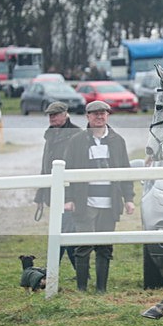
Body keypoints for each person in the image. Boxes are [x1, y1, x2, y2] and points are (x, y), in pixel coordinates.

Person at [63, 100, 135, 292]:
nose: (99, 116)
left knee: (104, 247)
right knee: (83, 246)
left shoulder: (117, 141)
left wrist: (128, 199)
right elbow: (68, 171)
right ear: (87, 116)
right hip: (84, 202)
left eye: (102, 113)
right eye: (95, 113)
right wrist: (68, 198)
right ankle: (81, 288)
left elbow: (125, 171)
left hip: (109, 203)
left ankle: (101, 289)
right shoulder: (77, 141)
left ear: (107, 115)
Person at [34, 101, 82, 270]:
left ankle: (53, 270)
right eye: (50, 115)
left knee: (64, 232)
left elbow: (78, 167)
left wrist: (72, 198)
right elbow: (45, 166)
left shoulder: (76, 134)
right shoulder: (51, 136)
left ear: (65, 114)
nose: (52, 118)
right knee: (61, 231)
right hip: (53, 193)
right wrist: (40, 195)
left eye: (55, 114)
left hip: (69, 194)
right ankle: (70, 271)